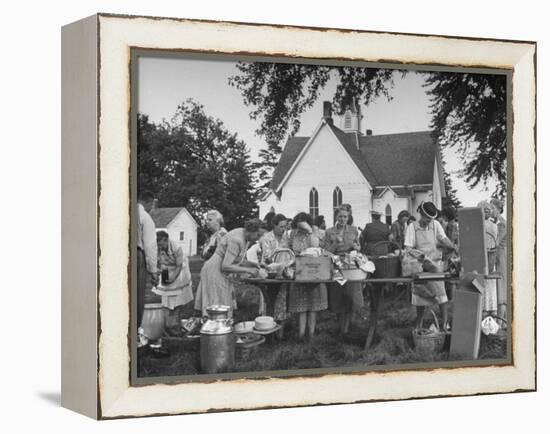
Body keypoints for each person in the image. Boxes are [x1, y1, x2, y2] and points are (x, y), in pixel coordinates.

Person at [194, 218, 265, 317]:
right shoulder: (237, 240)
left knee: (224, 304)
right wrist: (248, 270)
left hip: (220, 271)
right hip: (214, 271)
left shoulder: (245, 236)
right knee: (217, 306)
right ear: (251, 230)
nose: (258, 238)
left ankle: (222, 327)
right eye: (258, 235)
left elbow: (235, 259)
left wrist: (251, 264)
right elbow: (226, 266)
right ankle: (214, 329)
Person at [404, 201, 457, 331]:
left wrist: (452, 246)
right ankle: (419, 324)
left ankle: (445, 324)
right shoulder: (413, 227)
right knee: (419, 295)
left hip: (435, 266)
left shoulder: (436, 225)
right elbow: (408, 247)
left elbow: (443, 239)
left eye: (431, 219)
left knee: (441, 294)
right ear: (421, 214)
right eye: (427, 218)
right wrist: (420, 256)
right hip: (420, 265)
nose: (429, 221)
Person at [282, 212, 328, 340]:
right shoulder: (291, 234)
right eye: (299, 226)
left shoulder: (314, 233)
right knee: (301, 305)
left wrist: (309, 230)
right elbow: (286, 250)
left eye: (303, 225)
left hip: (313, 270)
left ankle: (311, 334)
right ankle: (301, 334)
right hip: (298, 271)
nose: (301, 229)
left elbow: (315, 246)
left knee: (313, 305)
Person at [325, 206, 363, 334]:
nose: (342, 219)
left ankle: (348, 326)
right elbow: (326, 252)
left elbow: (358, 247)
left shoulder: (353, 230)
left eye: (345, 216)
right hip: (336, 265)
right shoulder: (329, 232)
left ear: (348, 217)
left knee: (351, 294)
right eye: (340, 216)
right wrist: (335, 243)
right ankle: (341, 327)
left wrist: (356, 247)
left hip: (351, 265)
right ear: (336, 217)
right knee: (338, 294)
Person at [156, 231, 194, 328]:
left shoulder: (177, 248)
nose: (161, 248)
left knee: (177, 297)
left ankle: (176, 320)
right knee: (165, 294)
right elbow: (158, 262)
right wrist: (158, 272)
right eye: (159, 245)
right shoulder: (157, 247)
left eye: (162, 245)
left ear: (166, 240)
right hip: (166, 267)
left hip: (180, 269)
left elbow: (179, 266)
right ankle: (167, 321)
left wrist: (173, 279)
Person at [137, 191, 158, 330]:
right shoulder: (145, 217)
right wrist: (153, 271)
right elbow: (150, 246)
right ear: (149, 202)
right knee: (137, 295)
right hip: (137, 255)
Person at [478, 201, 498, 316]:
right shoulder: (494, 226)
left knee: (482, 284)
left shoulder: (480, 225)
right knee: (491, 287)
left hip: (481, 258)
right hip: (492, 259)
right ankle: (493, 310)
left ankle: (484, 311)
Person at [490, 198, 507, 325]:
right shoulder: (496, 222)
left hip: (501, 257)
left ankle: (500, 323)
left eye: (492, 208)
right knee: (497, 288)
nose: (491, 211)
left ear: (498, 209)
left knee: (501, 289)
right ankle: (499, 321)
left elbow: (496, 242)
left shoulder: (501, 223)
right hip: (497, 256)